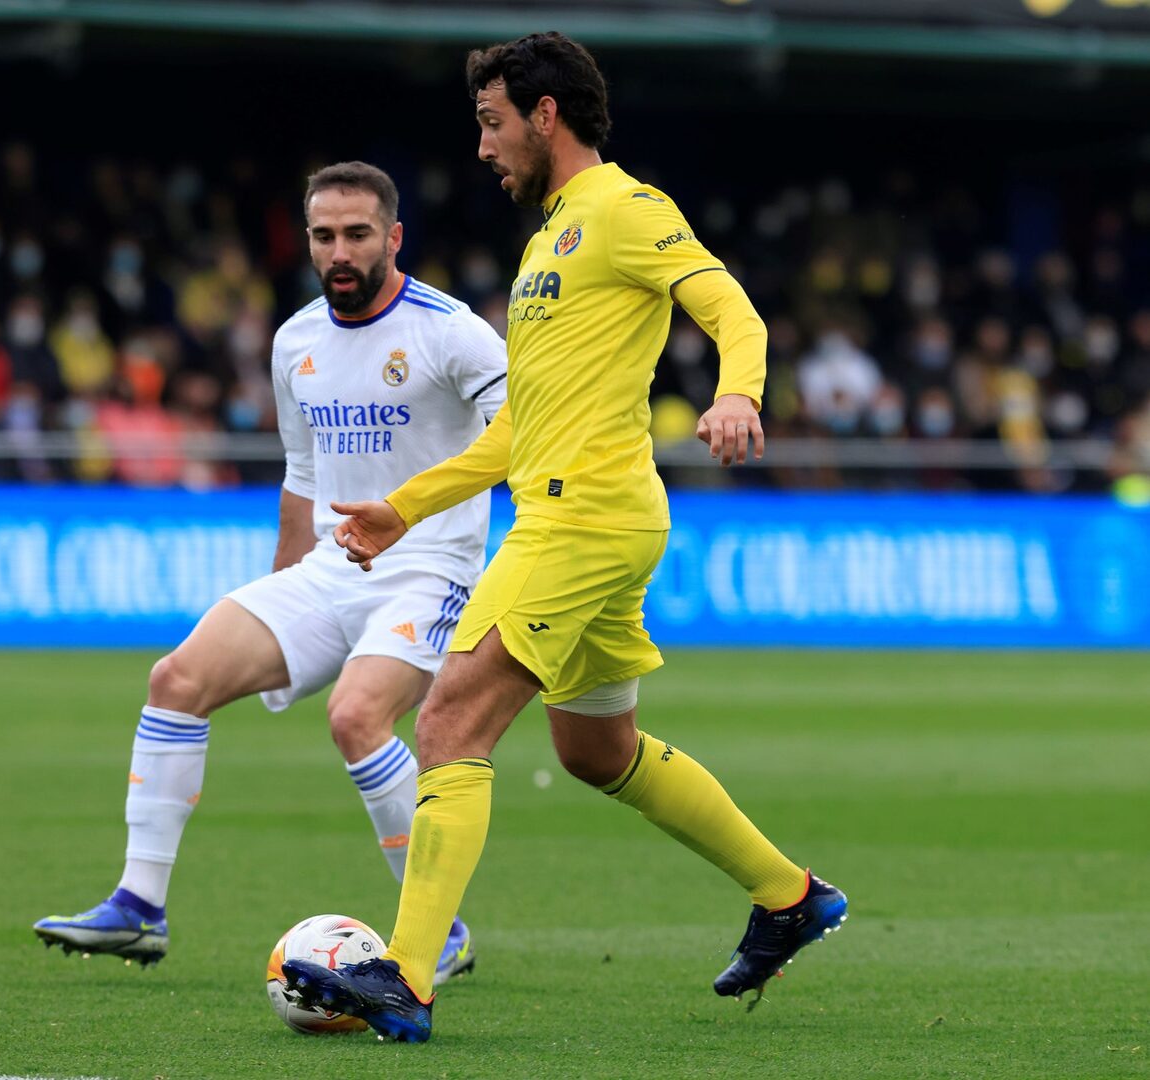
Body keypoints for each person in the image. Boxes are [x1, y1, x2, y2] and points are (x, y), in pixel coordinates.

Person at [282, 34, 847, 1042]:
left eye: (492, 123)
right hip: (583, 513)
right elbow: (517, 426)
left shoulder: (626, 209)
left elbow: (733, 311)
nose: (483, 146)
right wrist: (403, 507)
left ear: (545, 116)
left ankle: (405, 975)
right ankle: (788, 895)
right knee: (595, 750)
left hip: (581, 518)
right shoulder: (548, 240)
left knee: (449, 719)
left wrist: (737, 394)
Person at [33, 162, 509, 989]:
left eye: (357, 234)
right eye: (324, 236)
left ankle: (438, 928)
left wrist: (440, 523)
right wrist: (282, 596)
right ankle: (139, 907)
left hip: (430, 571)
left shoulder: (452, 332)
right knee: (176, 679)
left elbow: (524, 434)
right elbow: (303, 474)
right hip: (329, 569)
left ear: (393, 237)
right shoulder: (295, 340)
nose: (339, 252)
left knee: (355, 716)